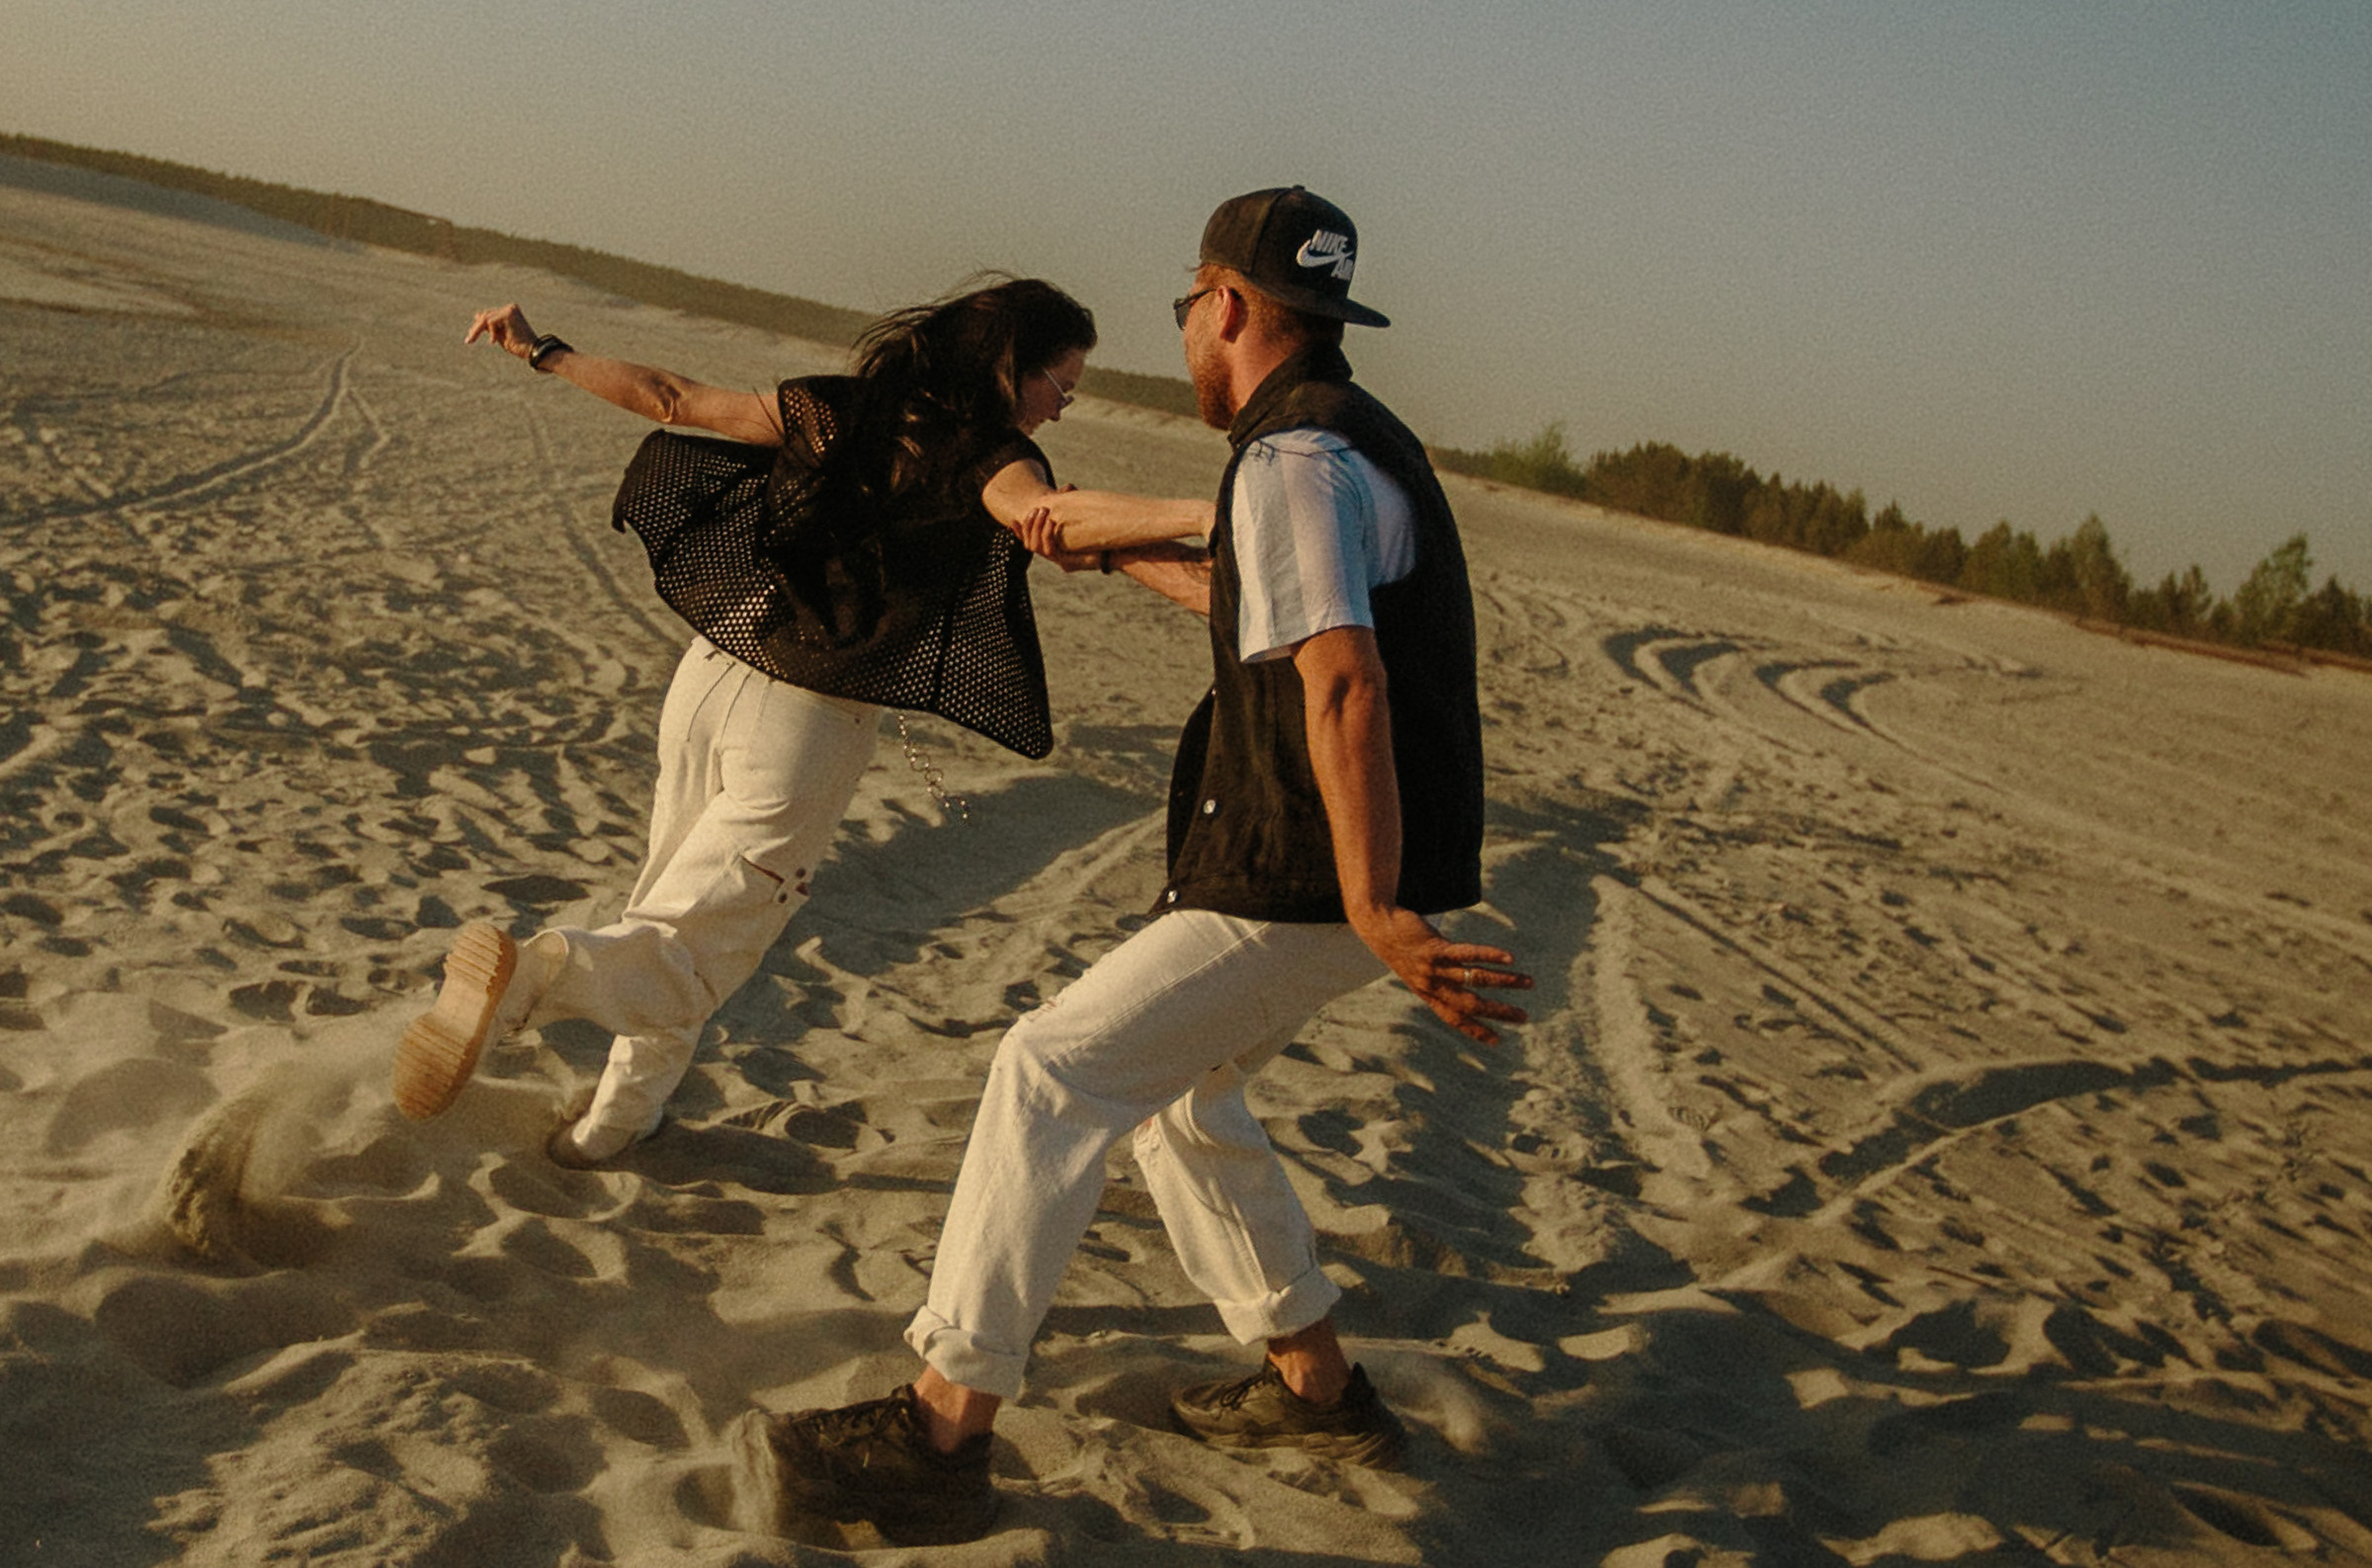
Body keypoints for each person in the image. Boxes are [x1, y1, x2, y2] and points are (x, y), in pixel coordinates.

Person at [757, 188, 1532, 1548]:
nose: (1184, 329)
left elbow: (1345, 685)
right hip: (1314, 859)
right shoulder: (1349, 445)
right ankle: (1320, 1388)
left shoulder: (1292, 458)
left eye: (1188, 304)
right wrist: (1105, 545)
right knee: (1184, 1100)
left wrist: (1370, 902)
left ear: (1227, 307)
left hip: (1310, 867)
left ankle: (942, 1431)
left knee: (1049, 1069)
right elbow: (1273, 613)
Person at [391, 278, 1214, 1166]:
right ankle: (529, 977)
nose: (1064, 407)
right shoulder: (991, 457)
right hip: (807, 722)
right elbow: (1040, 515)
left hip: (711, 676)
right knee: (695, 953)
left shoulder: (844, 406)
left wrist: (543, 349)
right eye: (1061, 385)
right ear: (1012, 371)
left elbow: (672, 398)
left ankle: (617, 1123)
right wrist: (1210, 512)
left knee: (667, 909)